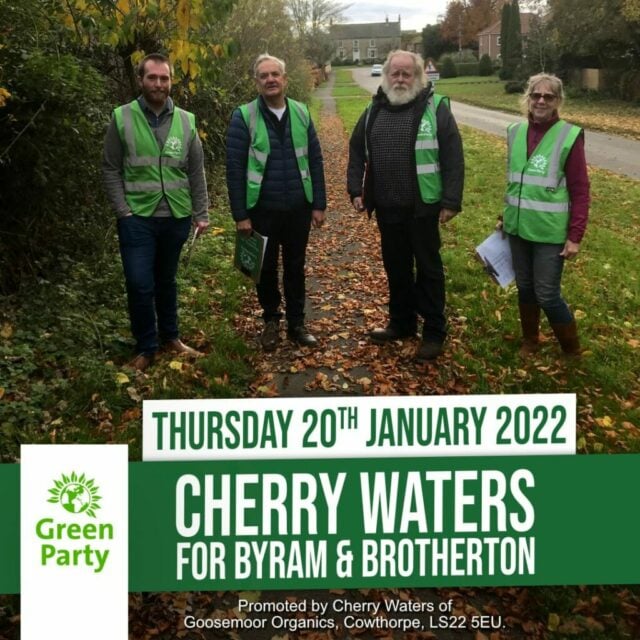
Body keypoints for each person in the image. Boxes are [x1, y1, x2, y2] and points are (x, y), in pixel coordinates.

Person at [347, 50, 464, 361]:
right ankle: (402, 324)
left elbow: (453, 157)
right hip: (387, 208)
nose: (400, 79)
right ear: (386, 76)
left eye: (406, 74)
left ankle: (434, 332)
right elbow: (356, 148)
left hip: (423, 208)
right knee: (396, 269)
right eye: (395, 74)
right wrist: (354, 188)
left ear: (418, 76)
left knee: (428, 271)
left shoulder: (435, 108)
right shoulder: (374, 110)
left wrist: (451, 200)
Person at [103, 53, 209, 371]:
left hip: (176, 217)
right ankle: (146, 347)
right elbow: (110, 168)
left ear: (171, 81)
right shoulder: (122, 117)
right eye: (152, 77)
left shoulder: (187, 121)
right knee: (139, 283)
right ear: (141, 80)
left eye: (164, 78)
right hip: (138, 219)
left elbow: (196, 171)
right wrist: (123, 211)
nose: (159, 84)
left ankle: (171, 338)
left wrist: (200, 212)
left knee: (166, 281)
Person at [226, 54, 327, 351]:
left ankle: (297, 324)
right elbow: (234, 169)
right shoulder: (243, 117)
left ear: (284, 79)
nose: (270, 79)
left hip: (298, 208)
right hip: (262, 211)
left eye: (275, 74)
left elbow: (316, 159)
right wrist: (240, 215)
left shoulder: (301, 112)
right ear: (256, 82)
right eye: (264, 75)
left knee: (295, 267)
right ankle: (271, 319)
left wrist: (318, 203)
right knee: (265, 269)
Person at [503, 73, 589, 356]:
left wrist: (575, 236)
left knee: (548, 294)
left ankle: (572, 349)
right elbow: (517, 181)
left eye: (548, 96)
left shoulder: (568, 136)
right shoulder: (515, 131)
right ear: (528, 98)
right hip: (517, 228)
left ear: (557, 101)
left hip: (549, 232)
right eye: (536, 95)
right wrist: (505, 217)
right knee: (525, 289)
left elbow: (580, 190)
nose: (541, 100)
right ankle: (530, 341)